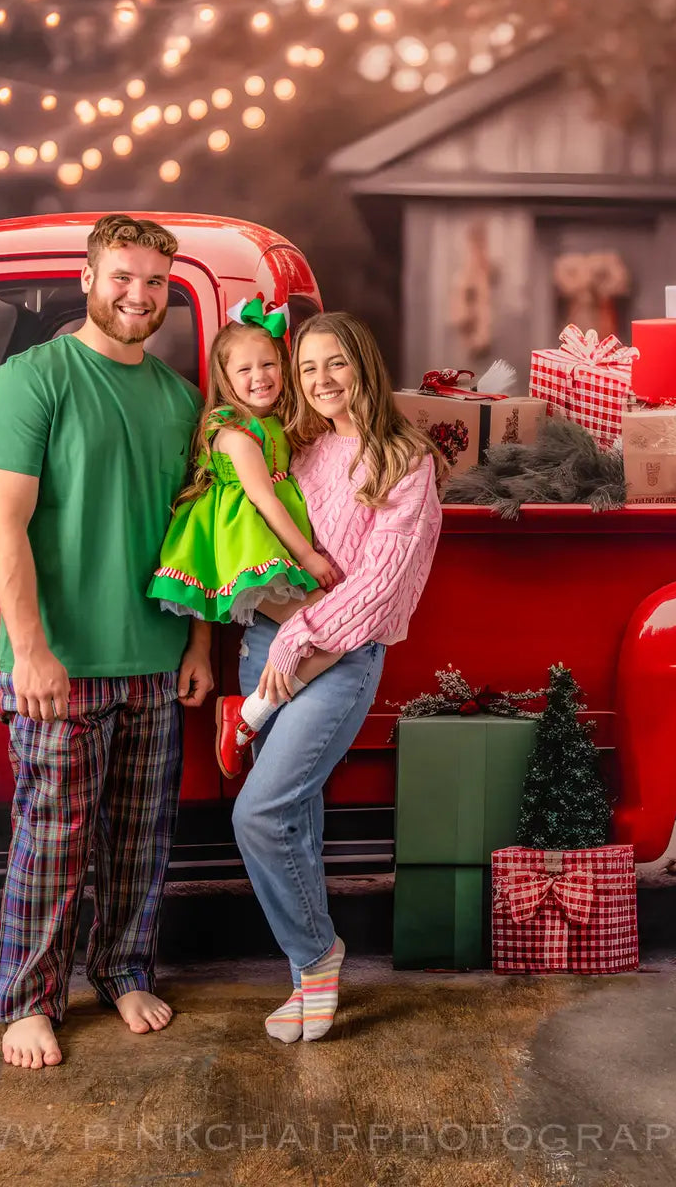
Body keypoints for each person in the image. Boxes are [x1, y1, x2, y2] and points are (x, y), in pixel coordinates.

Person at [0, 214, 214, 1071]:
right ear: (88, 276)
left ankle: (121, 969)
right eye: (122, 277)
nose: (138, 295)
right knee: (53, 838)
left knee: (140, 839)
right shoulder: (31, 379)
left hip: (154, 659)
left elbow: (198, 539)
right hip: (60, 664)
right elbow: (6, 526)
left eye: (155, 283)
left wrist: (197, 649)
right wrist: (30, 649)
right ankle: (28, 1002)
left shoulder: (184, 401)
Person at [224, 311, 444, 1043]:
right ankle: (306, 985)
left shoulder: (404, 460)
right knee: (297, 828)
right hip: (267, 643)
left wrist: (302, 638)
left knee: (259, 813)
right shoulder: (300, 446)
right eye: (308, 368)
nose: (321, 381)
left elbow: (381, 586)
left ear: (364, 367)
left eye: (336, 365)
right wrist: (273, 634)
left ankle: (318, 959)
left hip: (338, 657)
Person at [146, 300, 343, 776]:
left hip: (270, 540)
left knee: (328, 632)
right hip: (245, 546)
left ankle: (251, 713)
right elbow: (266, 500)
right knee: (333, 629)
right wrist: (310, 558)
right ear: (226, 378)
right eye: (245, 369)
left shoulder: (275, 420)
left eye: (269, 364)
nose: (260, 376)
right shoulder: (234, 432)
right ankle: (245, 714)